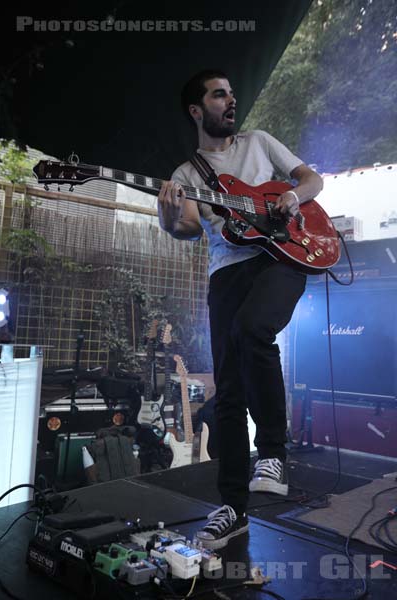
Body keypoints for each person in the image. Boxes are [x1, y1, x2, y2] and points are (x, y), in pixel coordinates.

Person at [158, 69, 323, 550]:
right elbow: (187, 227)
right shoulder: (187, 175)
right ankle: (233, 508)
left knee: (254, 329)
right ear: (197, 110)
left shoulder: (260, 142)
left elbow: (311, 180)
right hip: (225, 274)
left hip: (280, 257)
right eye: (219, 95)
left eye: (232, 93)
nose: (231, 100)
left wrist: (291, 196)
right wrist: (170, 218)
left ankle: (272, 452)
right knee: (228, 391)